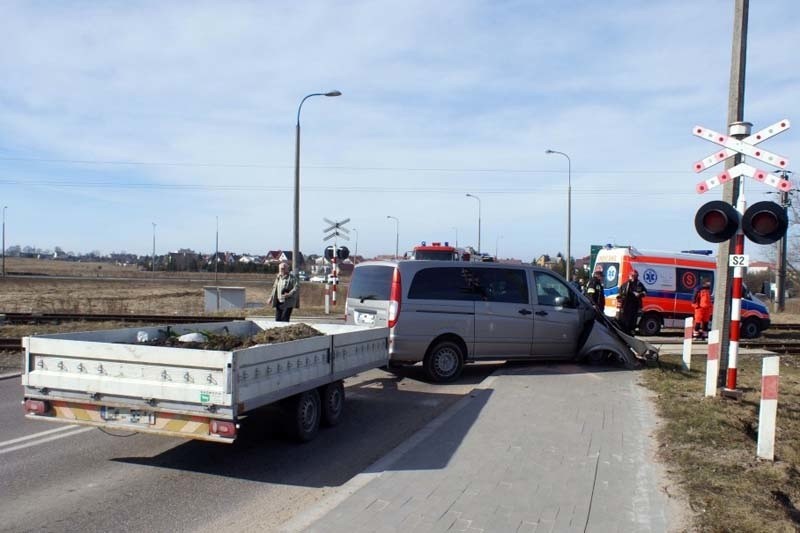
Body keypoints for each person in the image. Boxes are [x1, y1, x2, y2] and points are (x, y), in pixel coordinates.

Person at [616, 270, 647, 335]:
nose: (633, 277)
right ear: (629, 276)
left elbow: (645, 292)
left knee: (633, 323)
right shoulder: (625, 285)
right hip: (626, 307)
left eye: (635, 276)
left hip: (635, 307)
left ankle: (631, 333)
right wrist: (619, 299)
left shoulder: (639, 284)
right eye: (632, 276)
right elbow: (620, 295)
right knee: (624, 323)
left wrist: (639, 294)